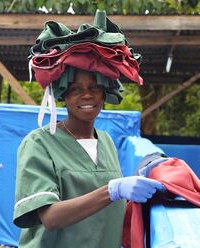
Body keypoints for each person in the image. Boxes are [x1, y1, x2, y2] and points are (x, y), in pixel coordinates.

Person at [13, 10, 165, 248]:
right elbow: (50, 217)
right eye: (75, 89)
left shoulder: (106, 142)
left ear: (105, 93)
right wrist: (113, 190)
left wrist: (146, 187)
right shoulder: (40, 143)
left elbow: (108, 211)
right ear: (63, 95)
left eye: (95, 87)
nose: (86, 95)